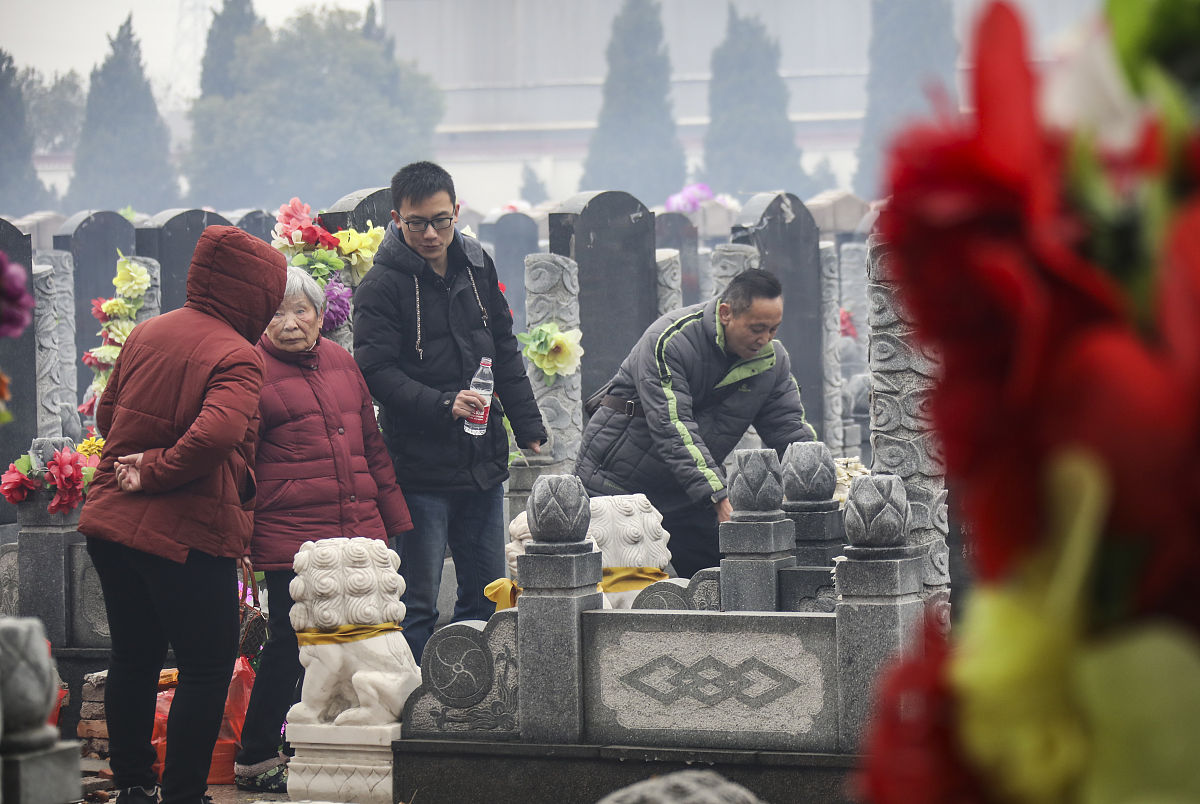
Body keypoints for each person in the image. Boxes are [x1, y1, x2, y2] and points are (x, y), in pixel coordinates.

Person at [78, 225, 287, 804]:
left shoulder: (149, 330)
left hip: (113, 525)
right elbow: (218, 433)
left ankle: (136, 783)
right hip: (186, 535)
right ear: (257, 294)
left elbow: (107, 417)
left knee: (133, 657)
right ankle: (184, 794)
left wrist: (138, 461)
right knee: (205, 665)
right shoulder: (237, 354)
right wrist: (158, 467)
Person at [354, 161, 547, 663]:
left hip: (482, 461)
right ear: (398, 219)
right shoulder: (382, 285)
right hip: (418, 467)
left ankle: (476, 701)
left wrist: (527, 423)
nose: (431, 233)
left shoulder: (477, 264)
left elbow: (502, 347)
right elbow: (375, 371)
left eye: (441, 220)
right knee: (418, 601)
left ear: (457, 212)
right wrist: (442, 404)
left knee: (487, 594)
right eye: (417, 222)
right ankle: (412, 702)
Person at [233, 266, 413, 793]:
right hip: (288, 535)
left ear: (320, 315)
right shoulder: (250, 370)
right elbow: (240, 464)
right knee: (293, 644)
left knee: (362, 639)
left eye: (301, 310)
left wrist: (392, 522)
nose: (289, 323)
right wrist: (241, 538)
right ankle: (257, 754)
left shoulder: (341, 361)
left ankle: (327, 741)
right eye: (276, 312)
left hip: (355, 531)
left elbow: (371, 448)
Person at [574, 269, 815, 579]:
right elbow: (672, 425)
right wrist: (718, 496)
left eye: (773, 329)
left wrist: (819, 484)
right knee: (626, 596)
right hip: (616, 484)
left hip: (688, 493)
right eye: (757, 328)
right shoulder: (669, 340)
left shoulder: (771, 362)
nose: (765, 339)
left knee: (716, 585)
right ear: (726, 313)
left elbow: (789, 431)